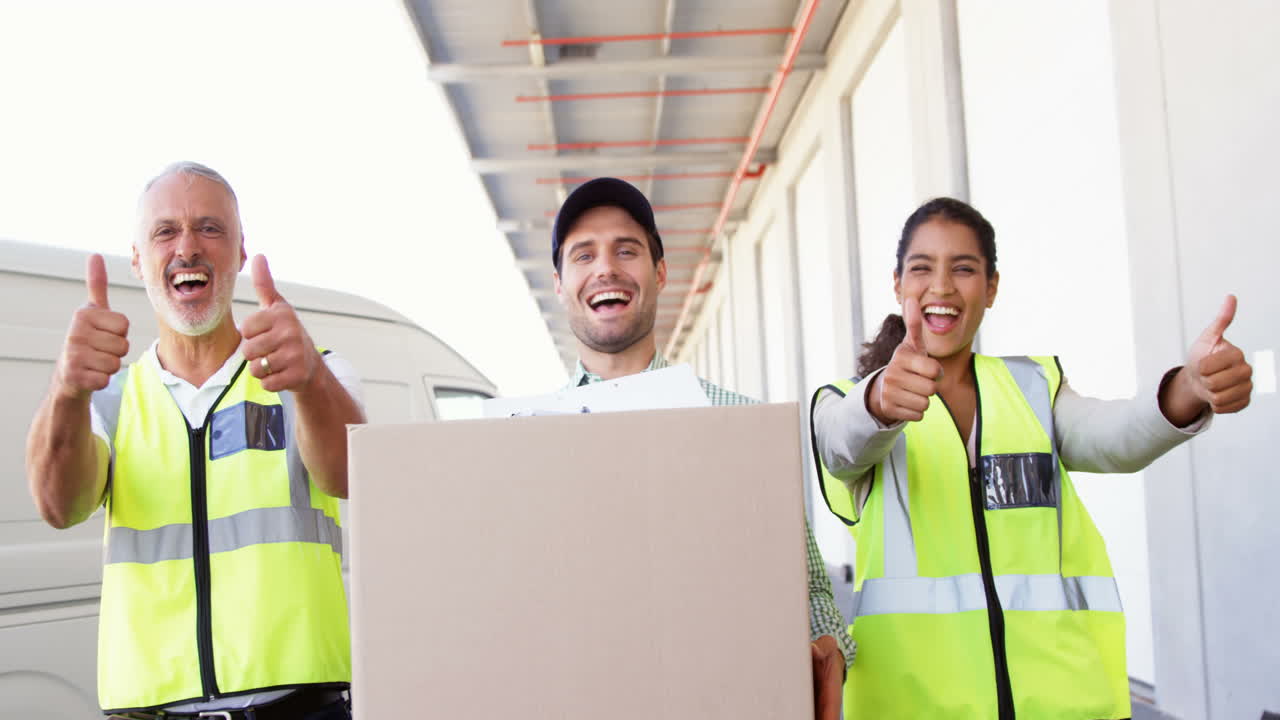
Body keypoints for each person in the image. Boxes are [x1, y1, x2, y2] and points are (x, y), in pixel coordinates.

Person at [810, 197, 1253, 719]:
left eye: (965, 269)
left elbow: (1115, 436)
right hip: (914, 706)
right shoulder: (843, 402)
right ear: (898, 284)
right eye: (922, 268)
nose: (943, 286)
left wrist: (1189, 387)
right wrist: (880, 400)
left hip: (1062, 702)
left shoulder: (1035, 388)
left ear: (992, 287)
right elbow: (841, 444)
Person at [25, 162, 365, 718]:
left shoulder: (311, 374)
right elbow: (59, 506)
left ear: (238, 251)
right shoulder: (107, 399)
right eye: (165, 232)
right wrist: (65, 390)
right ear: (137, 258)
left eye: (210, 228)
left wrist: (309, 382)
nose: (187, 247)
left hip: (301, 708)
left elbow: (348, 476)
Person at [550, 177, 853, 720]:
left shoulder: (739, 424)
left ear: (660, 273)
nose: (606, 268)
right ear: (560, 283)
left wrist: (829, 650)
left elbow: (809, 590)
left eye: (627, 250)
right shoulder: (530, 444)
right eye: (584, 254)